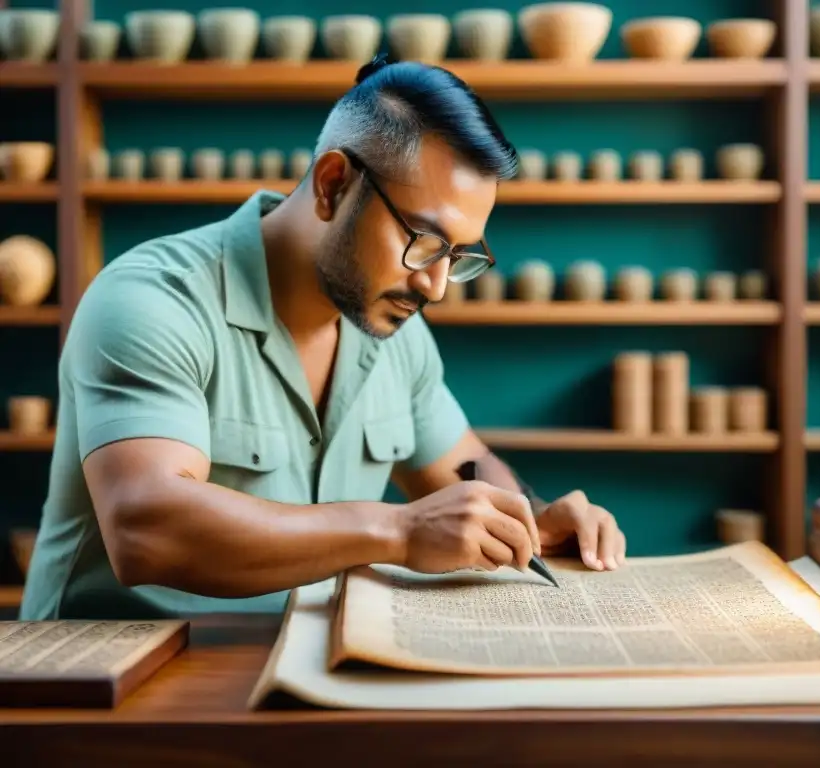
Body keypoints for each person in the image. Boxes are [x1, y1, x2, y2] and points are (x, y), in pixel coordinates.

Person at [19, 57, 626, 621]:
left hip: (300, 664)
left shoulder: (392, 330)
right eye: (424, 240)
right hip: (113, 682)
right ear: (333, 184)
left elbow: (463, 465)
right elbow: (147, 528)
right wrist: (400, 532)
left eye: (459, 256)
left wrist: (531, 516)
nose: (437, 286)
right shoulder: (152, 300)